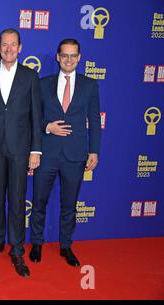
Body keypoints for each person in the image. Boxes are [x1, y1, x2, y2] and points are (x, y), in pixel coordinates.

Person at [0, 28, 42, 278]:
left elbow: (37, 115)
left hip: (20, 149)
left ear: (20, 48)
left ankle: (16, 250)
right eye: (5, 45)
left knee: (16, 199)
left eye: (13, 44)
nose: (9, 49)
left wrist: (35, 150)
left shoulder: (31, 77)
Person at [29, 39, 101, 267]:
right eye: (64, 55)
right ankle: (37, 243)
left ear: (79, 58)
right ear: (58, 57)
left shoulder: (90, 85)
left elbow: (95, 121)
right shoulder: (43, 84)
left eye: (73, 55)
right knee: (39, 202)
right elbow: (33, 118)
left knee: (69, 204)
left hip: (76, 155)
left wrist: (94, 151)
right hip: (47, 153)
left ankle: (66, 246)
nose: (69, 59)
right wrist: (47, 127)